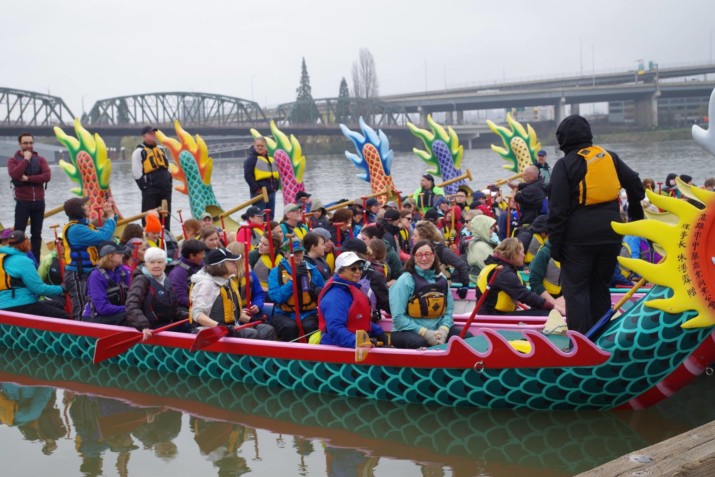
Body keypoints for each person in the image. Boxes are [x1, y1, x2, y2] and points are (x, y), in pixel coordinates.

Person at [547, 114, 644, 334]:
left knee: (577, 291)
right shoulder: (610, 157)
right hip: (612, 233)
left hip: (578, 238)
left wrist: (556, 247)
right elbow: (636, 186)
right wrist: (635, 220)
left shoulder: (564, 164)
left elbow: (557, 211)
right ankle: (603, 337)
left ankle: (582, 345)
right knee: (600, 287)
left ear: (563, 140)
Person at [388, 240, 467, 349]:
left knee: (466, 337)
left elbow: (448, 311)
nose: (424, 259)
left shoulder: (442, 279)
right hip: (405, 330)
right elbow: (398, 317)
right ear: (414, 258)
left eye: (428, 254)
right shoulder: (405, 281)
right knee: (419, 342)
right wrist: (425, 332)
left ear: (434, 256)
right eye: (419, 255)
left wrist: (443, 329)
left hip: (437, 329)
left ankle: (458, 366)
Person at [190, 248, 275, 340]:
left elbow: (232, 313)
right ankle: (251, 354)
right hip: (209, 330)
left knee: (267, 329)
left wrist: (252, 320)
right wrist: (220, 326)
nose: (235, 263)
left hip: (230, 327)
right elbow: (198, 315)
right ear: (220, 266)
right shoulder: (207, 284)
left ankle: (262, 354)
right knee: (251, 334)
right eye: (231, 261)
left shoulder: (228, 280)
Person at [62, 196, 118, 320]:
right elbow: (105, 236)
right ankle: (79, 335)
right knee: (82, 308)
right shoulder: (76, 229)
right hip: (77, 274)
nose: (88, 207)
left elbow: (106, 230)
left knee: (91, 307)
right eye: (85, 205)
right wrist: (109, 217)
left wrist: (112, 214)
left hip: (86, 272)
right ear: (78, 210)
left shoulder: (83, 227)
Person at [477, 238, 564, 316]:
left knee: (543, 310)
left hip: (494, 313)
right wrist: (553, 306)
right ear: (514, 253)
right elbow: (524, 295)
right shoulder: (502, 272)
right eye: (522, 251)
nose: (524, 255)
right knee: (547, 313)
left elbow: (525, 289)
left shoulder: (501, 267)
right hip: (493, 316)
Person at [317, 252, 387, 348]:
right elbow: (335, 330)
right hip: (336, 350)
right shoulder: (335, 297)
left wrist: (378, 331)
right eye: (353, 269)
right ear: (341, 271)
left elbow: (357, 320)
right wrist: (359, 341)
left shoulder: (350, 289)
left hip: (352, 345)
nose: (358, 271)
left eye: (360, 268)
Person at [126, 247, 189, 340]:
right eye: (152, 262)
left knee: (190, 326)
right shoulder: (141, 280)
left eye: (160, 262)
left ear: (165, 264)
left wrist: (190, 315)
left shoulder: (167, 280)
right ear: (146, 264)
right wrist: (143, 326)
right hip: (151, 329)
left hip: (167, 325)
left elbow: (172, 309)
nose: (156, 266)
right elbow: (131, 305)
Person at [0, 230, 67, 318]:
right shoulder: (23, 261)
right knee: (63, 316)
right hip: (20, 305)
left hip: (3, 305)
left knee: (57, 304)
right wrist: (62, 288)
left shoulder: (2, 256)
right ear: (26, 243)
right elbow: (38, 289)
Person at [268, 240, 325, 342]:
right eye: (294, 253)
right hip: (284, 313)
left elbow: (324, 293)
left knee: (310, 326)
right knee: (290, 327)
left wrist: (319, 292)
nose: (298, 255)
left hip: (309, 313)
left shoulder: (312, 270)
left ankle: (312, 356)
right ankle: (289, 357)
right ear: (285, 254)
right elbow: (276, 297)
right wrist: (293, 279)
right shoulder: (276, 272)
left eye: (301, 252)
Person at [7, 132, 52, 260]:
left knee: (36, 234)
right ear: (20, 144)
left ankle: (35, 261)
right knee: (19, 233)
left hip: (39, 201)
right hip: (23, 202)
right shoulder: (13, 160)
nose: (28, 145)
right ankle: (17, 259)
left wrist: (28, 178)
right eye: (25, 143)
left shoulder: (40, 160)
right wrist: (26, 160)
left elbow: (47, 176)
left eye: (31, 143)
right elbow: (15, 174)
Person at [411, 220, 469, 296]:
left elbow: (461, 265)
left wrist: (465, 286)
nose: (412, 238)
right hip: (420, 291)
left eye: (415, 235)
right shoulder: (415, 250)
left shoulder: (441, 250)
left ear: (424, 237)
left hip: (438, 293)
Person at [131, 126, 173, 231]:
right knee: (149, 215)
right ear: (144, 136)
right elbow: (136, 172)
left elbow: (167, 167)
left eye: (154, 133)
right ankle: (148, 236)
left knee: (166, 215)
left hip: (165, 188)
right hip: (151, 190)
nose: (154, 135)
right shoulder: (139, 151)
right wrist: (145, 187)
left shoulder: (161, 149)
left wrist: (169, 181)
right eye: (151, 133)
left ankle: (166, 236)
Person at [82, 242, 130, 325]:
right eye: (119, 253)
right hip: (95, 317)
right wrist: (128, 309)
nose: (123, 255)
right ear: (110, 256)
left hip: (117, 313)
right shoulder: (96, 276)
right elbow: (102, 308)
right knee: (128, 316)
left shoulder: (123, 272)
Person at [341, 237, 390, 317]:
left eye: (343, 252)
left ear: (354, 254)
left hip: (367, 323)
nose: (340, 255)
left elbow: (387, 304)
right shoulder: (342, 273)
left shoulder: (375, 276)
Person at [226, 241, 267, 321]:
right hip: (232, 318)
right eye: (245, 257)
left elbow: (259, 293)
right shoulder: (225, 279)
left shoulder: (250, 275)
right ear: (236, 260)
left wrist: (257, 305)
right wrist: (238, 312)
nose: (248, 259)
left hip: (249, 312)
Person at [243, 136, 279, 220]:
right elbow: (248, 176)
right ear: (254, 145)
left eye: (262, 145)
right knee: (259, 216)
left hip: (271, 192)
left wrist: (276, 186)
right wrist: (256, 189)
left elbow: (276, 175)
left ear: (265, 146)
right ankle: (258, 231)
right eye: (258, 145)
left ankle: (269, 232)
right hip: (259, 193)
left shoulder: (270, 159)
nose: (260, 147)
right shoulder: (251, 160)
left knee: (270, 216)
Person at [168, 239, 207, 310]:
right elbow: (180, 298)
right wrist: (202, 304)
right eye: (201, 254)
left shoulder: (200, 264)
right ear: (192, 256)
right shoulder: (178, 273)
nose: (204, 256)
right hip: (189, 309)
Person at [465, 214, 498, 283]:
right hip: (484, 283)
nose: (493, 229)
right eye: (490, 227)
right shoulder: (481, 247)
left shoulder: (476, 242)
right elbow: (493, 270)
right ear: (482, 228)